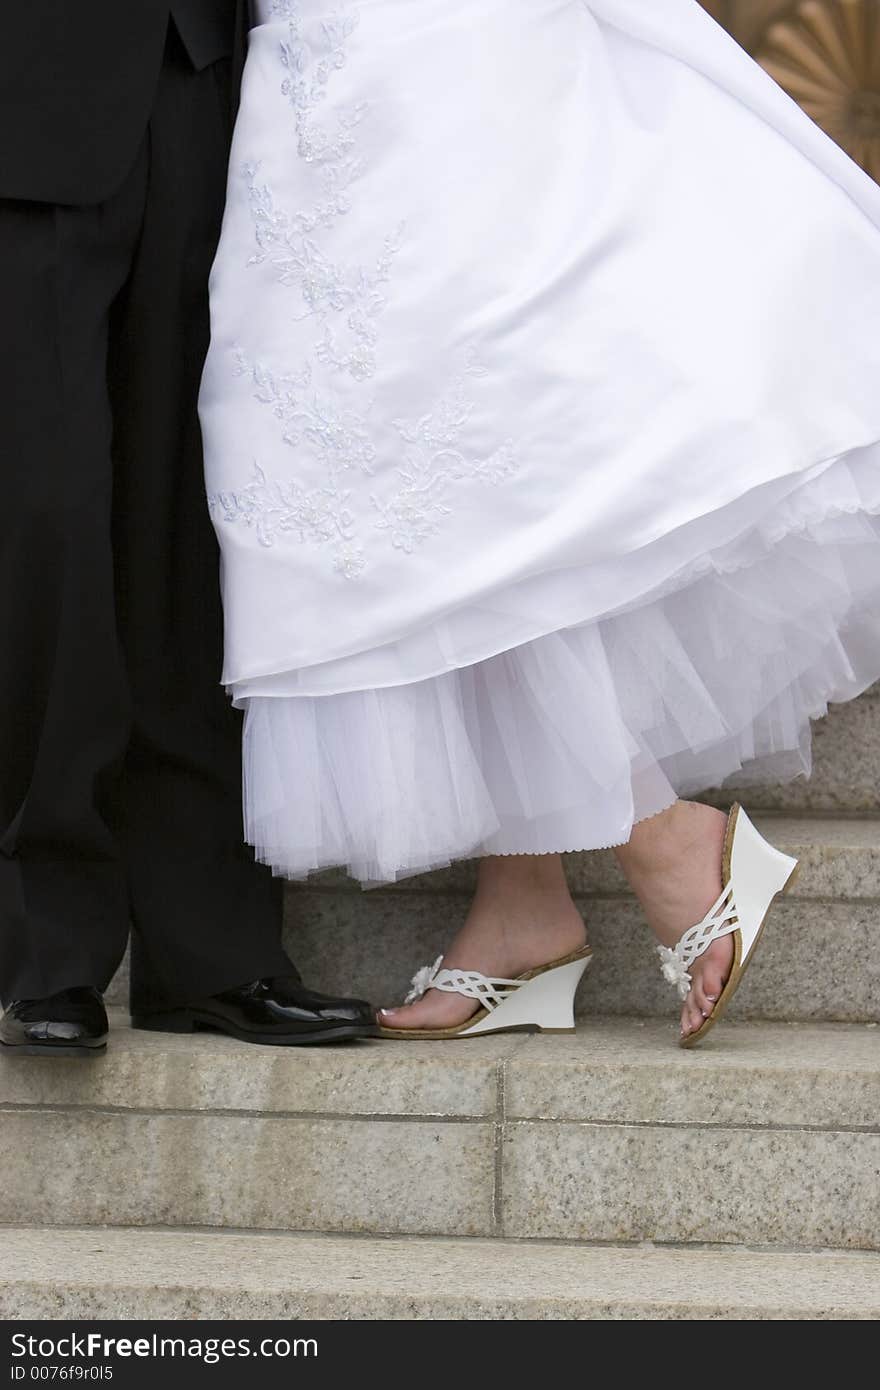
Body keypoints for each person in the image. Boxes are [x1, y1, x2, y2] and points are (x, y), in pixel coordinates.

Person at [200, 0, 880, 1046]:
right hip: (312, 40)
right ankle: (523, 902)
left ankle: (656, 832)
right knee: (380, 441)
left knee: (461, 419)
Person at [0, 1, 376, 1057]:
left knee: (196, 523)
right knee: (50, 517)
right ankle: (48, 948)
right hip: (26, 81)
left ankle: (211, 954)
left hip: (204, 75)